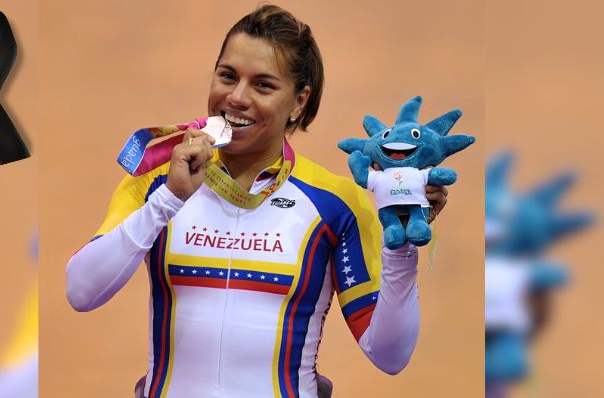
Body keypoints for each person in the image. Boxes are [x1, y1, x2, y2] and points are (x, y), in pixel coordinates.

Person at [66, 5, 448, 398]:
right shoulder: (158, 182)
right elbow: (81, 291)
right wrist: (169, 200)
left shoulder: (335, 204)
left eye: (263, 85)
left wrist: (400, 251)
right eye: (227, 76)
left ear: (299, 101)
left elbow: (390, 355)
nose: (236, 97)